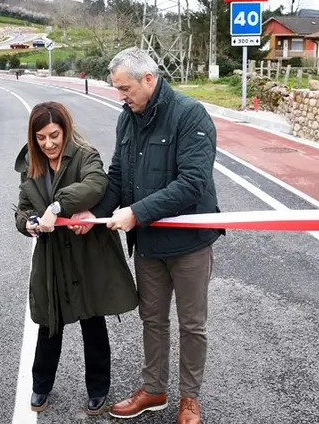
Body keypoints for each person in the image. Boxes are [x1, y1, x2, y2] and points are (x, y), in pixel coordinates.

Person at [71, 47, 225, 424]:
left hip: (189, 244)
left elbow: (192, 183)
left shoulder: (190, 115)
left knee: (192, 324)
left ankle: (189, 399)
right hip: (149, 245)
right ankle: (154, 389)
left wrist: (137, 213)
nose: (120, 96)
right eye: (117, 89)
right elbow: (120, 176)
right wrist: (95, 211)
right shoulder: (127, 120)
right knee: (152, 319)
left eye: (125, 88)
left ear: (149, 80)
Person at [13, 101, 139, 416]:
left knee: (92, 321)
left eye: (54, 135)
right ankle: (41, 384)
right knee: (49, 321)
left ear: (66, 129)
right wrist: (27, 223)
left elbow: (96, 185)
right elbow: (23, 207)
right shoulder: (31, 163)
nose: (49, 144)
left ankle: (98, 390)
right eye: (41, 138)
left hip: (87, 255)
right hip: (52, 256)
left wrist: (56, 208)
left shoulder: (85, 155)